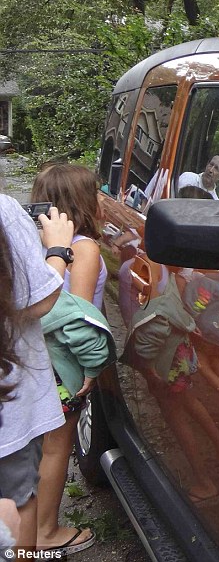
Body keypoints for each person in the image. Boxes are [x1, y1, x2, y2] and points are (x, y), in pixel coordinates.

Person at [30, 164, 108, 555]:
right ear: (82, 202)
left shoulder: (39, 248)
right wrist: (92, 369)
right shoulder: (84, 248)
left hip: (35, 361)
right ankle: (45, 533)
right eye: (96, 193)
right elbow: (76, 319)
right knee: (56, 448)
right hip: (63, 368)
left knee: (36, 447)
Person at [0, 194, 74, 552]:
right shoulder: (4, 211)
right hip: (6, 403)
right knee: (15, 503)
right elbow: (38, 300)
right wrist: (58, 249)